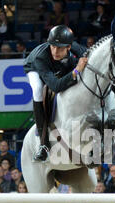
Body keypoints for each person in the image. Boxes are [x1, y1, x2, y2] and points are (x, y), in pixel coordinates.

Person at [24, 25, 88, 161]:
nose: (55, 51)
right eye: (52, 46)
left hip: (59, 67)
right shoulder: (41, 58)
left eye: (60, 48)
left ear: (69, 47)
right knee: (37, 90)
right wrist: (76, 70)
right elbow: (56, 86)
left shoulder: (76, 47)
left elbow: (90, 57)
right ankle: (43, 145)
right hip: (34, 67)